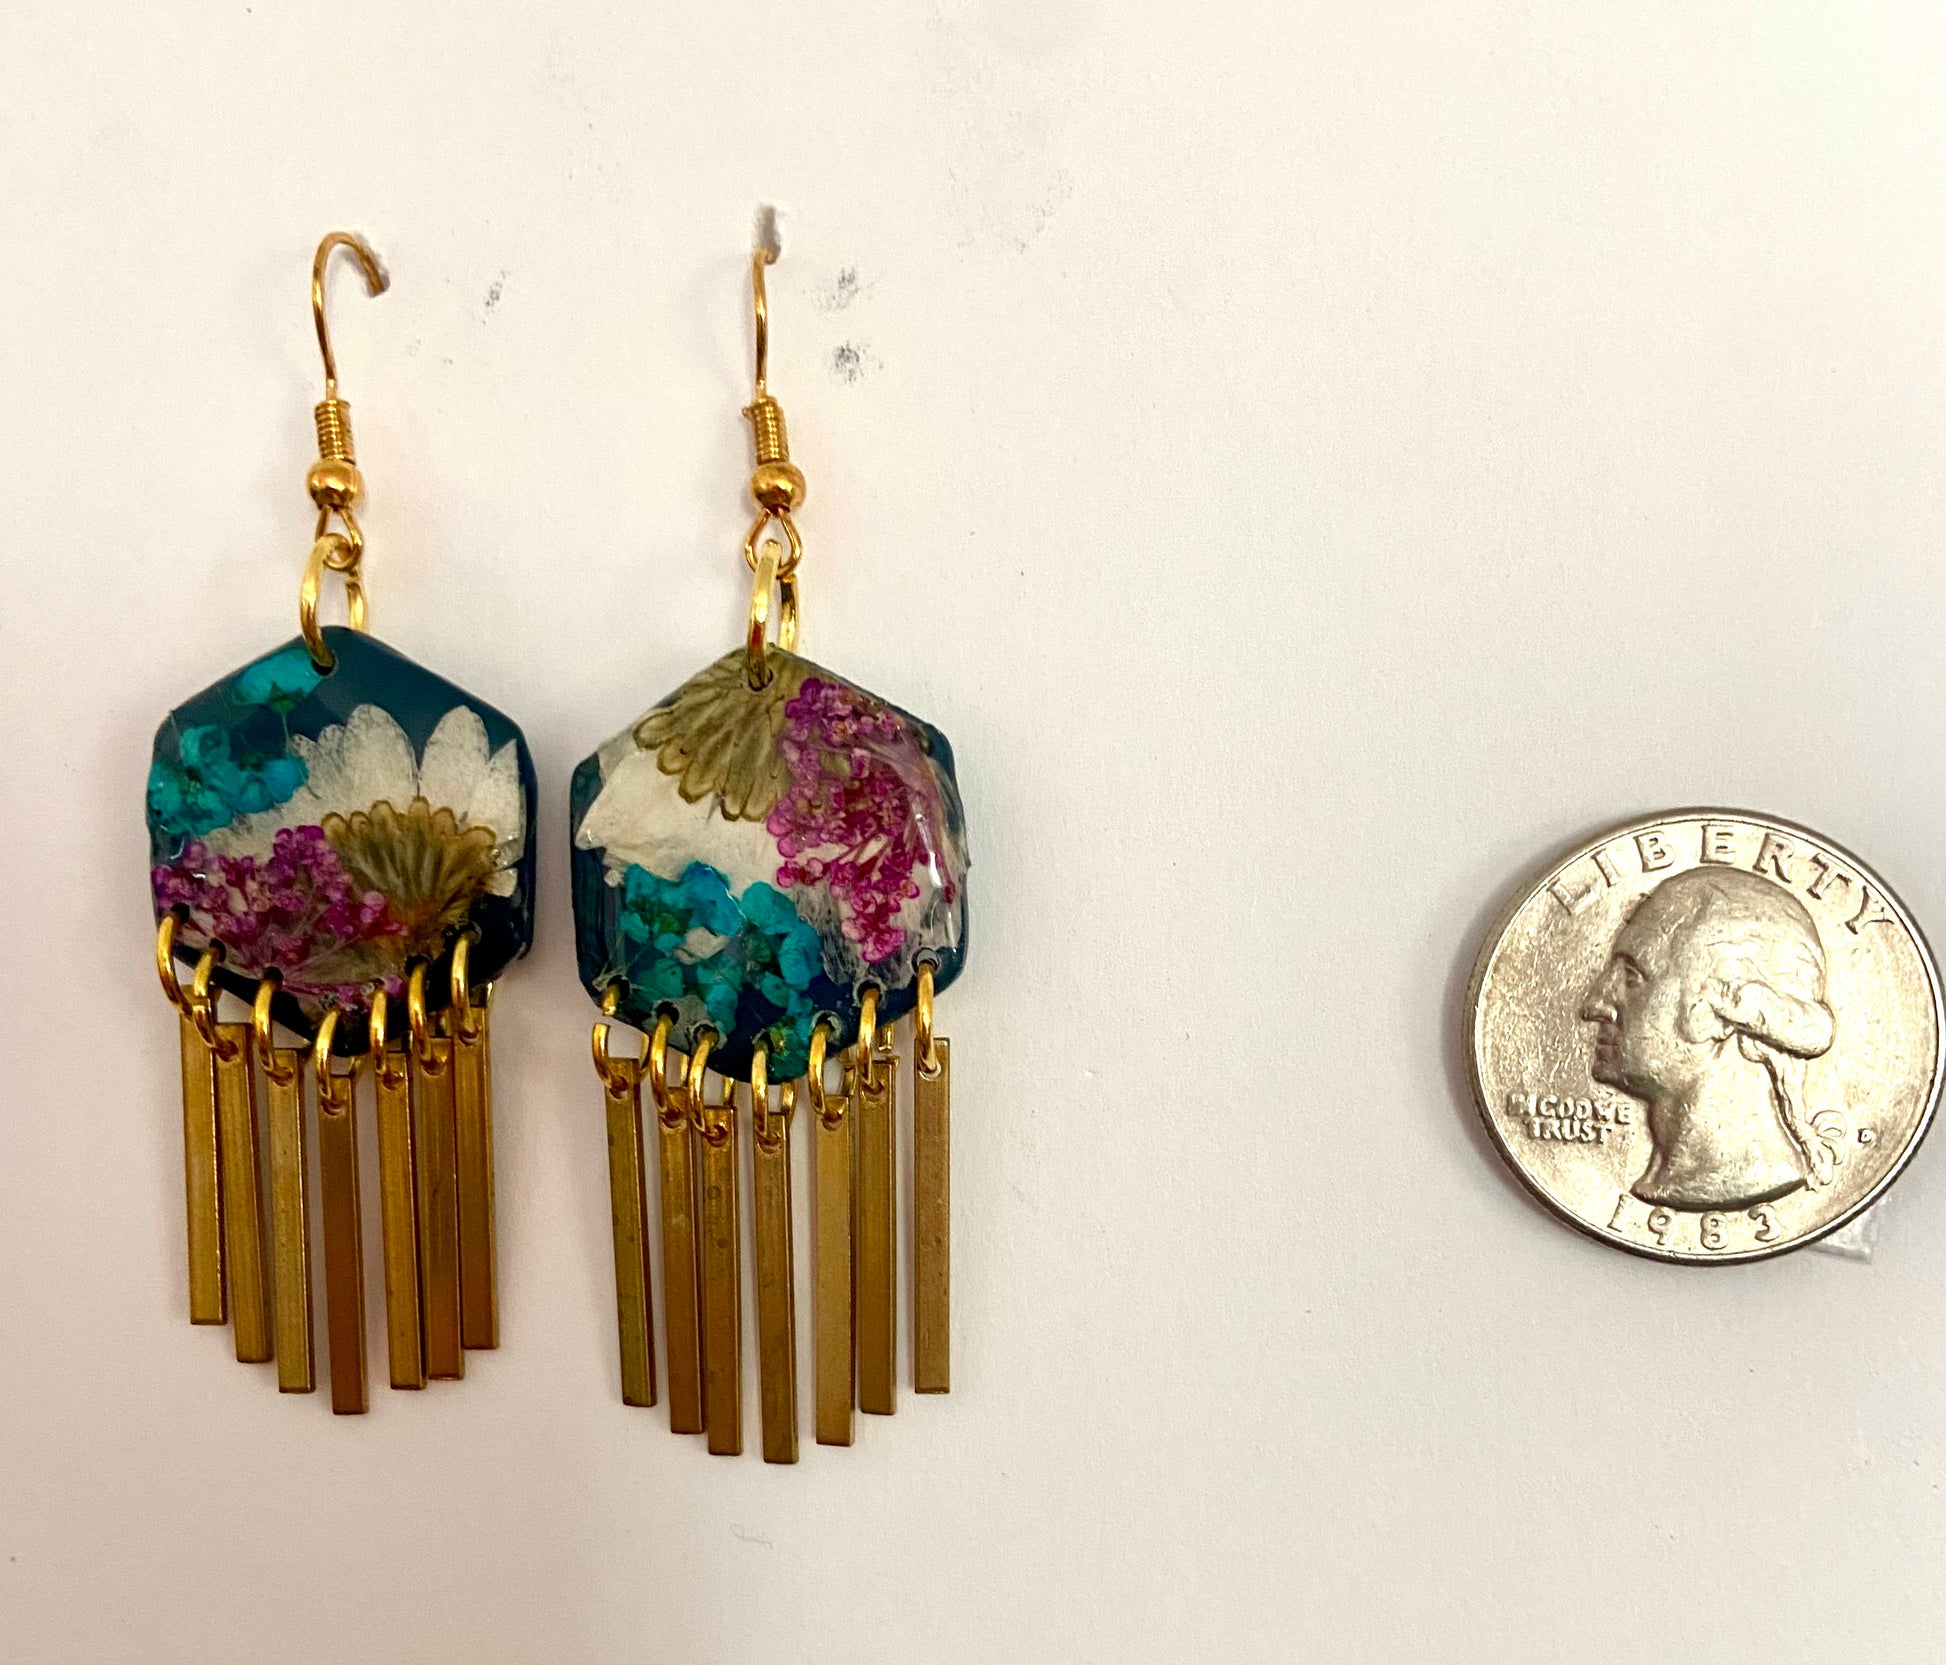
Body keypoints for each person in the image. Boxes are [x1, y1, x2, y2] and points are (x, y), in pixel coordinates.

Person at [1579, 867, 1843, 1211]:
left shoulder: (1755, 1175)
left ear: (1717, 1014)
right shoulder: (1667, 1178)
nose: (1594, 1003)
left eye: (1632, 977)